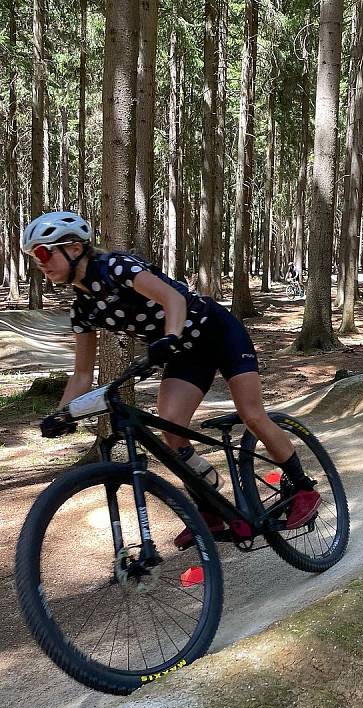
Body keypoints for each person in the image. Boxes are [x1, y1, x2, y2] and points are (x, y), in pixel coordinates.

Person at [23, 211, 322, 548]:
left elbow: (174, 298)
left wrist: (170, 336)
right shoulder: (83, 308)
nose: (40, 263)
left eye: (44, 253)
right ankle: (208, 505)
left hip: (218, 333)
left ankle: (303, 488)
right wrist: (64, 413)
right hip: (182, 351)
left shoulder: (116, 268)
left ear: (74, 248)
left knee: (252, 415)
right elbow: (81, 374)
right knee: (170, 429)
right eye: (35, 257)